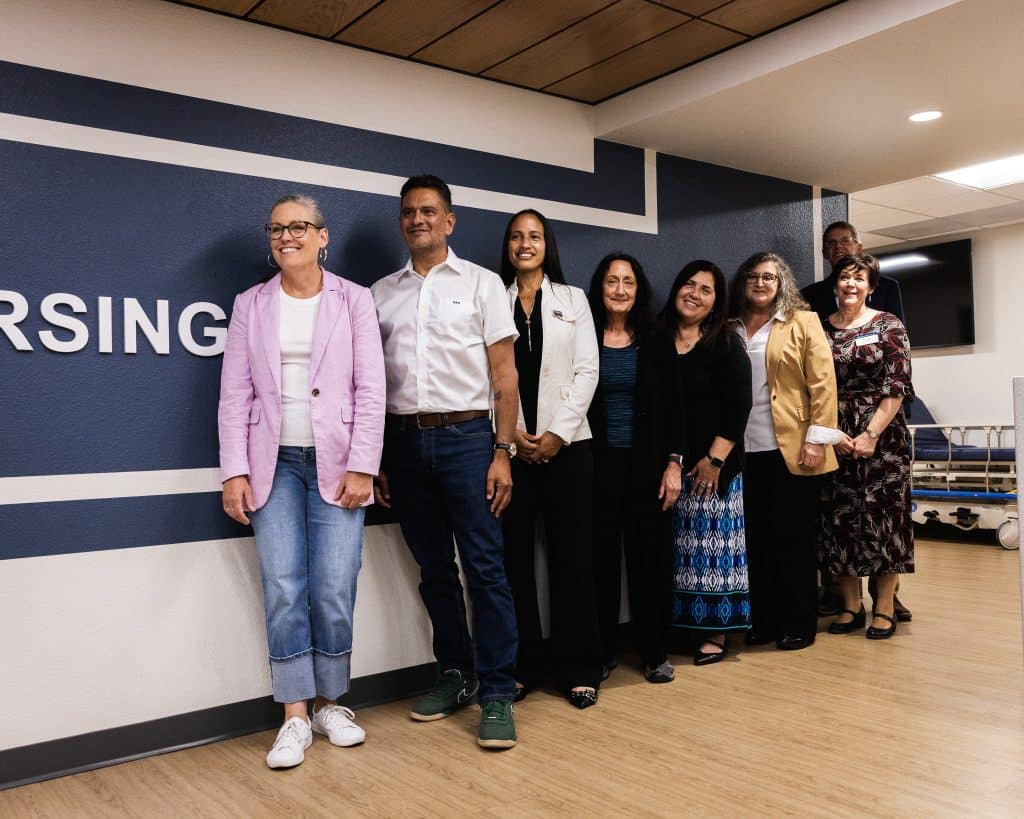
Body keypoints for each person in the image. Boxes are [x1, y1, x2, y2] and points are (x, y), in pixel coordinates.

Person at [218, 194, 386, 769]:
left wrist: (364, 463)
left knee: (335, 584)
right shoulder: (250, 304)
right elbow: (234, 394)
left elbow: (371, 388)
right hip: (273, 464)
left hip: (338, 463)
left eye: (298, 227)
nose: (286, 236)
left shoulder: (354, 300)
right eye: (276, 228)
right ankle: (294, 717)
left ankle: (330, 704)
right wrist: (234, 470)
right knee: (284, 585)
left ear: (323, 237)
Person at [371, 175, 520, 749]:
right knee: (435, 570)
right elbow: (372, 385)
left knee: (485, 567)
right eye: (409, 212)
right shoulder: (380, 293)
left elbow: (505, 379)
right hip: (406, 445)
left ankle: (499, 692)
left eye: (429, 211)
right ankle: (456, 675)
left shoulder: (482, 285)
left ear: (450, 220)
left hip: (469, 440)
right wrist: (380, 456)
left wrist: (502, 452)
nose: (418, 220)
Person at [498, 209, 603, 708]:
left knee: (572, 560)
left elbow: (587, 370)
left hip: (569, 448)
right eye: (517, 236)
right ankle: (524, 666)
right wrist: (512, 436)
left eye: (534, 236)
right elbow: (485, 374)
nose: (525, 243)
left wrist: (557, 434)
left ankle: (578, 666)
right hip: (509, 448)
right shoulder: (490, 299)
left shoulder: (573, 299)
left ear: (547, 245)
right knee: (513, 560)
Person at [728, 252, 840, 651]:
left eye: (769, 278)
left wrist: (816, 439)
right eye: (753, 276)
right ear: (743, 283)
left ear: (781, 284)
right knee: (754, 541)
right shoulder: (729, 326)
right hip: (742, 450)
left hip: (790, 447)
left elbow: (824, 384)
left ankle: (798, 623)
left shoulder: (802, 322)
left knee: (792, 540)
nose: (760, 283)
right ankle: (764, 621)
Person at [804, 221, 912, 622]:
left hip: (882, 435)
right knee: (840, 518)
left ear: (871, 286)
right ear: (835, 285)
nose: (850, 284)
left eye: (859, 278)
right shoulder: (819, 328)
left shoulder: (888, 325)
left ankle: (885, 604)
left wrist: (869, 433)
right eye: (844, 278)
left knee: (886, 518)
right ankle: (850, 605)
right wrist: (829, 434)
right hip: (834, 432)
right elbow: (811, 382)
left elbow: (898, 384)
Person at [658, 260, 752, 665]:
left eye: (706, 289)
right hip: (669, 465)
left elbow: (738, 407)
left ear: (716, 302)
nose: (694, 293)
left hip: (715, 466)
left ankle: (715, 631)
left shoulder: (726, 343)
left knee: (714, 554)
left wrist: (714, 461)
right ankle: (684, 628)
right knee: (679, 554)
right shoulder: (658, 339)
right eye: (689, 285)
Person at [587, 253, 675, 684]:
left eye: (628, 282)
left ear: (638, 290)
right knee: (601, 562)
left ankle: (654, 652)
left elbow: (675, 408)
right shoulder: (583, 334)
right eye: (611, 282)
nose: (619, 290)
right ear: (599, 288)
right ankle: (602, 652)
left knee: (648, 562)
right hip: (597, 464)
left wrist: (674, 462)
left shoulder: (656, 338)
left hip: (647, 466)